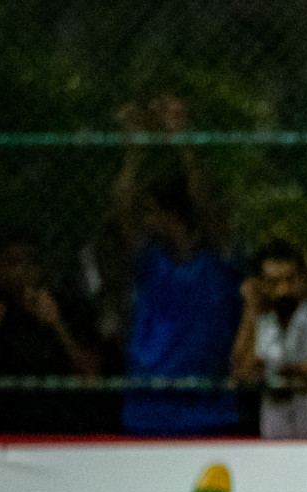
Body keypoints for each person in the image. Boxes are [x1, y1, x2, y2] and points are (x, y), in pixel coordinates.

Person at [113, 96, 243, 437]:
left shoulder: (218, 261)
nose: (146, 220)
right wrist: (135, 150)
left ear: (171, 217)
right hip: (147, 409)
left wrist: (183, 139)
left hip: (206, 411)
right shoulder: (152, 260)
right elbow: (122, 205)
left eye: (153, 213)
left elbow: (205, 204)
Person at [0, 235, 99, 433]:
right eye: (13, 263)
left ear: (40, 269)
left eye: (29, 263)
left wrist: (57, 325)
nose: (21, 271)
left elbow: (93, 379)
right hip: (4, 426)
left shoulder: (65, 305)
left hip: (63, 423)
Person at [231, 239, 307, 439]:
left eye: (290, 280)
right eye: (274, 282)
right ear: (261, 283)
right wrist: (250, 312)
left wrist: (287, 371)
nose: (283, 290)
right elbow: (242, 372)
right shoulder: (261, 317)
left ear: (303, 277)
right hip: (277, 430)